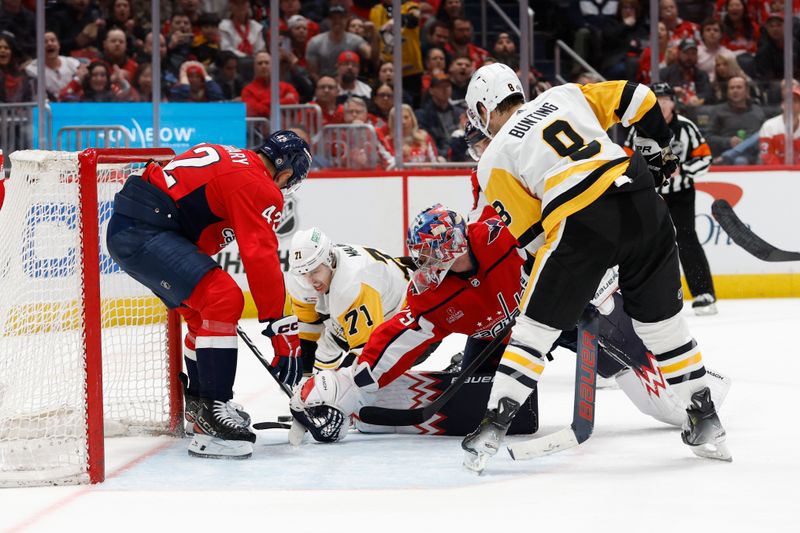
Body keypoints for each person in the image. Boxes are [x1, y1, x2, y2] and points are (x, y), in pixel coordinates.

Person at [459, 63, 730, 471]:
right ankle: (705, 419)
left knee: (534, 331)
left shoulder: (494, 157)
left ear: (483, 107)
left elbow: (532, 235)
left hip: (580, 218)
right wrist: (657, 145)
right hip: (641, 197)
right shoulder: (563, 95)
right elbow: (640, 97)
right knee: (664, 328)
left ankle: (492, 426)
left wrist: (575, 284)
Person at [288, 204, 731, 444]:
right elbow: (398, 337)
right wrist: (348, 380)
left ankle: (701, 390)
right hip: (498, 340)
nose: (421, 265)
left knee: (646, 385)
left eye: (426, 254)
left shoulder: (498, 233)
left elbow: (563, 230)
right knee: (502, 410)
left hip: (556, 317)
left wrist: (596, 273)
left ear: (448, 248)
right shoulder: (432, 294)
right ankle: (365, 406)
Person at [106, 131, 312, 459]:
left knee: (203, 312)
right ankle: (214, 416)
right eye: (289, 181)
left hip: (137, 225)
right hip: (146, 229)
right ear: (285, 173)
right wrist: (280, 328)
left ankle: (200, 409)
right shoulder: (259, 186)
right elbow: (260, 254)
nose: (285, 188)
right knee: (225, 297)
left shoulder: (231, 155)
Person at [624, 83, 718, 315]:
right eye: (657, 99)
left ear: (674, 102)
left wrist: (683, 170)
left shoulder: (686, 127)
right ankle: (647, 297)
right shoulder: (638, 127)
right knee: (645, 244)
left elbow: (705, 157)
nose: (662, 103)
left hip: (680, 194)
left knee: (686, 239)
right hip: (649, 194)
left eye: (666, 99)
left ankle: (704, 293)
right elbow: (624, 158)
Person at [287, 227, 412, 372]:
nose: (310, 281)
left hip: (407, 318)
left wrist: (339, 386)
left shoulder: (351, 283)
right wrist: (304, 375)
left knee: (364, 372)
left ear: (329, 260)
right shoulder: (300, 280)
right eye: (303, 274)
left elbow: (366, 352)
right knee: (320, 354)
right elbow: (308, 331)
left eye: (315, 271)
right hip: (373, 308)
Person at [707, 76, 765, 163]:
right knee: (740, 160)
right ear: (728, 92)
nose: (735, 91)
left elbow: (765, 134)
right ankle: (731, 154)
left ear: (747, 91)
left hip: (754, 153)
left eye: (739, 87)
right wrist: (728, 141)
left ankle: (730, 154)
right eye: (732, 88)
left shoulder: (757, 110)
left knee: (759, 135)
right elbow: (708, 137)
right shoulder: (718, 111)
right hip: (728, 151)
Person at [24, 31, 81, 100]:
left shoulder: (73, 63)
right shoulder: (32, 70)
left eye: (53, 40)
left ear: (58, 45)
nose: (49, 43)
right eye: (45, 42)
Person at [241, 51, 300, 117]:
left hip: (285, 126)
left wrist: (262, 103)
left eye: (267, 63)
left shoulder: (287, 87)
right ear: (254, 68)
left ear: (272, 66)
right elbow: (254, 110)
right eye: (260, 63)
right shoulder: (247, 90)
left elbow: (294, 103)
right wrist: (284, 102)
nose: (263, 66)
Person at [660, 38, 712, 107]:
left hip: (696, 111)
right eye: (686, 53)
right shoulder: (665, 73)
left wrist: (697, 97)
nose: (689, 57)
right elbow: (657, 92)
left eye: (693, 53)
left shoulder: (702, 75)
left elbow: (709, 94)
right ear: (679, 53)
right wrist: (673, 91)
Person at [759, 86, 800, 164]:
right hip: (775, 173)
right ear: (782, 104)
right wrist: (781, 171)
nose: (791, 104)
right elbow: (766, 155)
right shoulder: (769, 126)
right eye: (788, 100)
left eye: (795, 100)